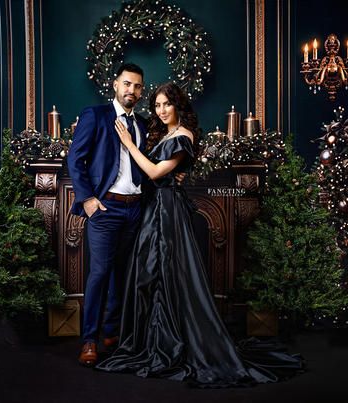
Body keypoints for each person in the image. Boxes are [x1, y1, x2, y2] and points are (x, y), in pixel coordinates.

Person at [96, 82, 304, 387]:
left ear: (179, 105)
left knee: (167, 273)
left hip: (168, 211)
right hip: (156, 208)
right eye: (156, 105)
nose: (161, 110)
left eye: (167, 104)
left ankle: (173, 343)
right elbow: (152, 173)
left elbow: (154, 173)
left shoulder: (184, 136)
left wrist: (128, 144)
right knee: (153, 276)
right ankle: (155, 340)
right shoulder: (167, 134)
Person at [67, 63, 148, 366]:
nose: (132, 91)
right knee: (100, 273)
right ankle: (90, 339)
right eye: (127, 84)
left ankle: (112, 332)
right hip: (106, 208)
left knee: (122, 273)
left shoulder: (141, 124)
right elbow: (76, 159)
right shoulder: (96, 115)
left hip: (135, 207)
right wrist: (87, 199)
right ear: (115, 85)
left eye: (138, 86)